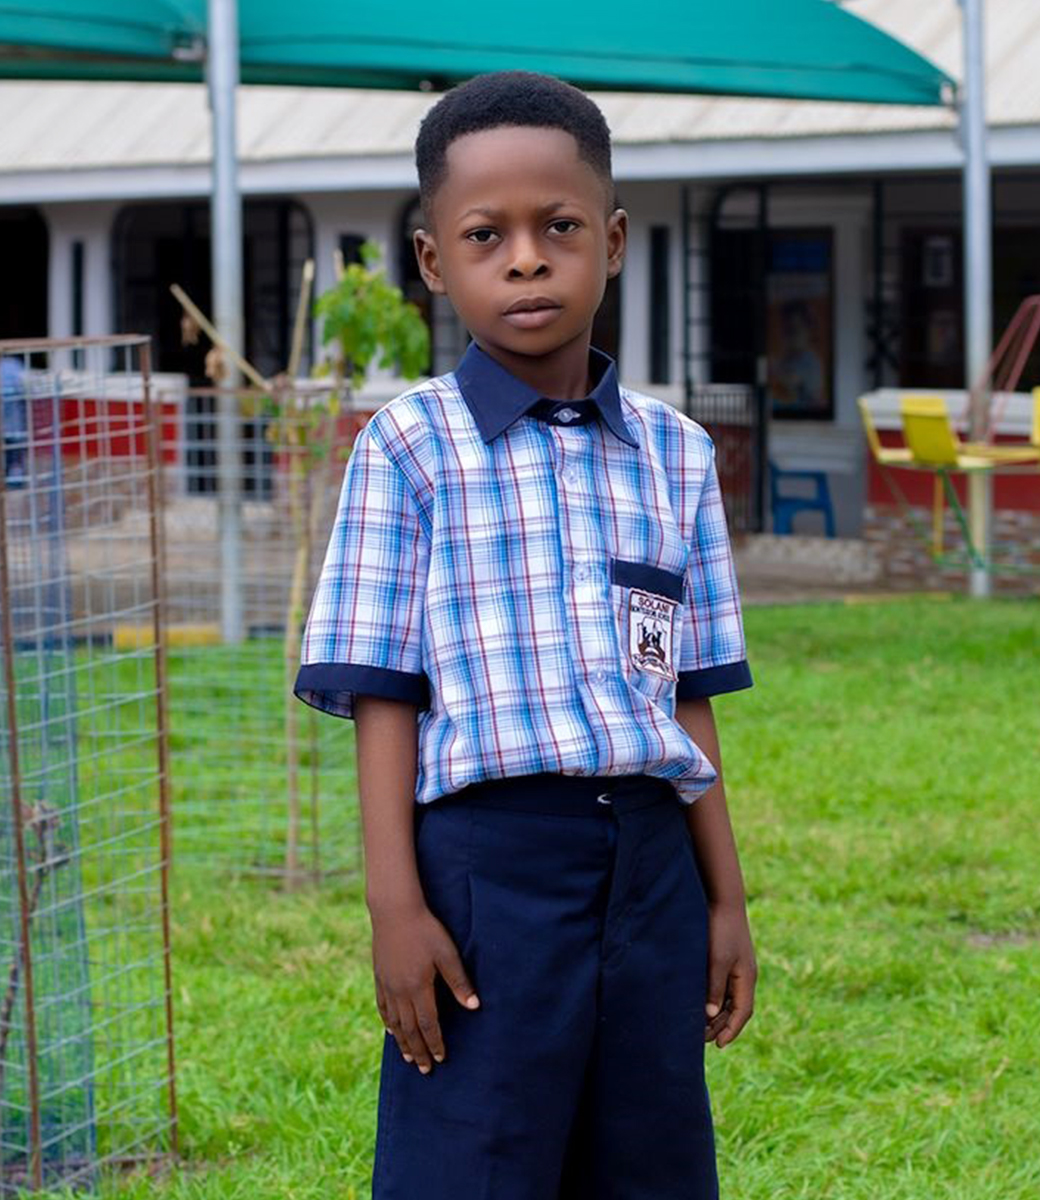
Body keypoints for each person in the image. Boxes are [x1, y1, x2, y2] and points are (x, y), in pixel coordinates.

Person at [295, 70, 757, 1200]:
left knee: (648, 1157)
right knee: (475, 1158)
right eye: (485, 234)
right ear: (433, 261)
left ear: (612, 238)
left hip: (648, 866)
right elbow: (384, 697)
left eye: (557, 229)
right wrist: (395, 909)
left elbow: (679, 694)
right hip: (485, 876)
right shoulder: (406, 450)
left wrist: (726, 900)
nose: (526, 260)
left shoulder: (675, 455)